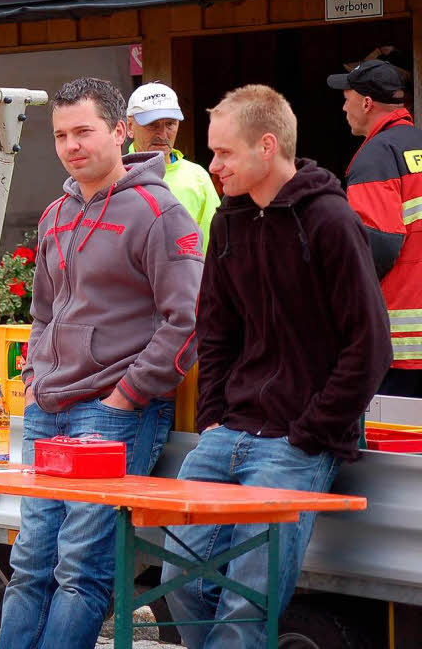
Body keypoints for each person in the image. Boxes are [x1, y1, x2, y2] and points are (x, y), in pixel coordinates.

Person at [162, 85, 391, 649]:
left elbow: (371, 345)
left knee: (247, 601)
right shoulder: (230, 223)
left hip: (296, 442)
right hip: (228, 432)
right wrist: (214, 413)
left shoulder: (330, 220)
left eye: (224, 153)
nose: (212, 166)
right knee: (178, 579)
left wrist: (311, 431)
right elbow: (215, 330)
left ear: (268, 146)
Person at [0, 78, 203, 649]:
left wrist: (129, 394)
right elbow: (41, 313)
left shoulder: (160, 212)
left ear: (119, 131)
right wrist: (36, 376)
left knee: (80, 571)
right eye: (61, 135)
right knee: (30, 565)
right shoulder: (55, 215)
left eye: (84, 131)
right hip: (49, 410)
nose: (71, 145)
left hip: (112, 415)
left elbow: (186, 319)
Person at [328, 59, 422, 397]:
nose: (343, 106)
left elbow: (375, 243)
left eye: (347, 97)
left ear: (367, 103)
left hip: (399, 340)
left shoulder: (376, 156)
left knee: (396, 444)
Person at [127, 81, 219, 251]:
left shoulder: (197, 177)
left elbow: (214, 246)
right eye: (152, 124)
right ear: (130, 126)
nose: (162, 134)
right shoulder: (114, 176)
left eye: (170, 124)